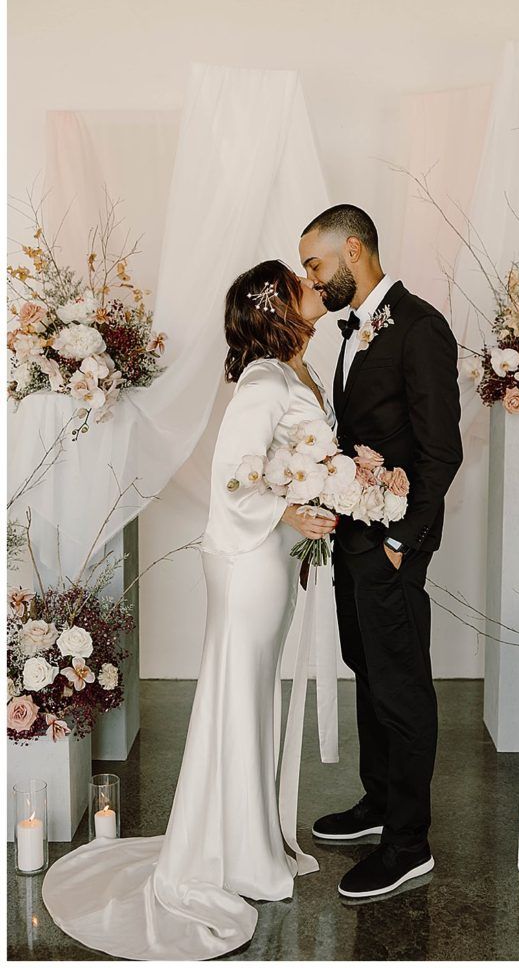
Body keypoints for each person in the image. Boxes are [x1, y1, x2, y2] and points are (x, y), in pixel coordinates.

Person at [41, 260, 337, 960]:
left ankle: (245, 843)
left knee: (250, 696)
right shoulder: (265, 381)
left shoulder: (292, 372)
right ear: (280, 306)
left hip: (266, 556)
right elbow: (233, 477)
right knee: (239, 695)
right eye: (299, 280)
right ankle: (228, 857)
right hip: (248, 561)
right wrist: (291, 511)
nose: (310, 283)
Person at [300, 204, 463, 899]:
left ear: (355, 250)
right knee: (365, 667)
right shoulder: (356, 327)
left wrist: (401, 542)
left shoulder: (418, 327)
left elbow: (440, 451)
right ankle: (377, 803)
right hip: (353, 536)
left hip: (391, 541)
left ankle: (408, 843)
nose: (310, 276)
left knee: (400, 686)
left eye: (315, 264)